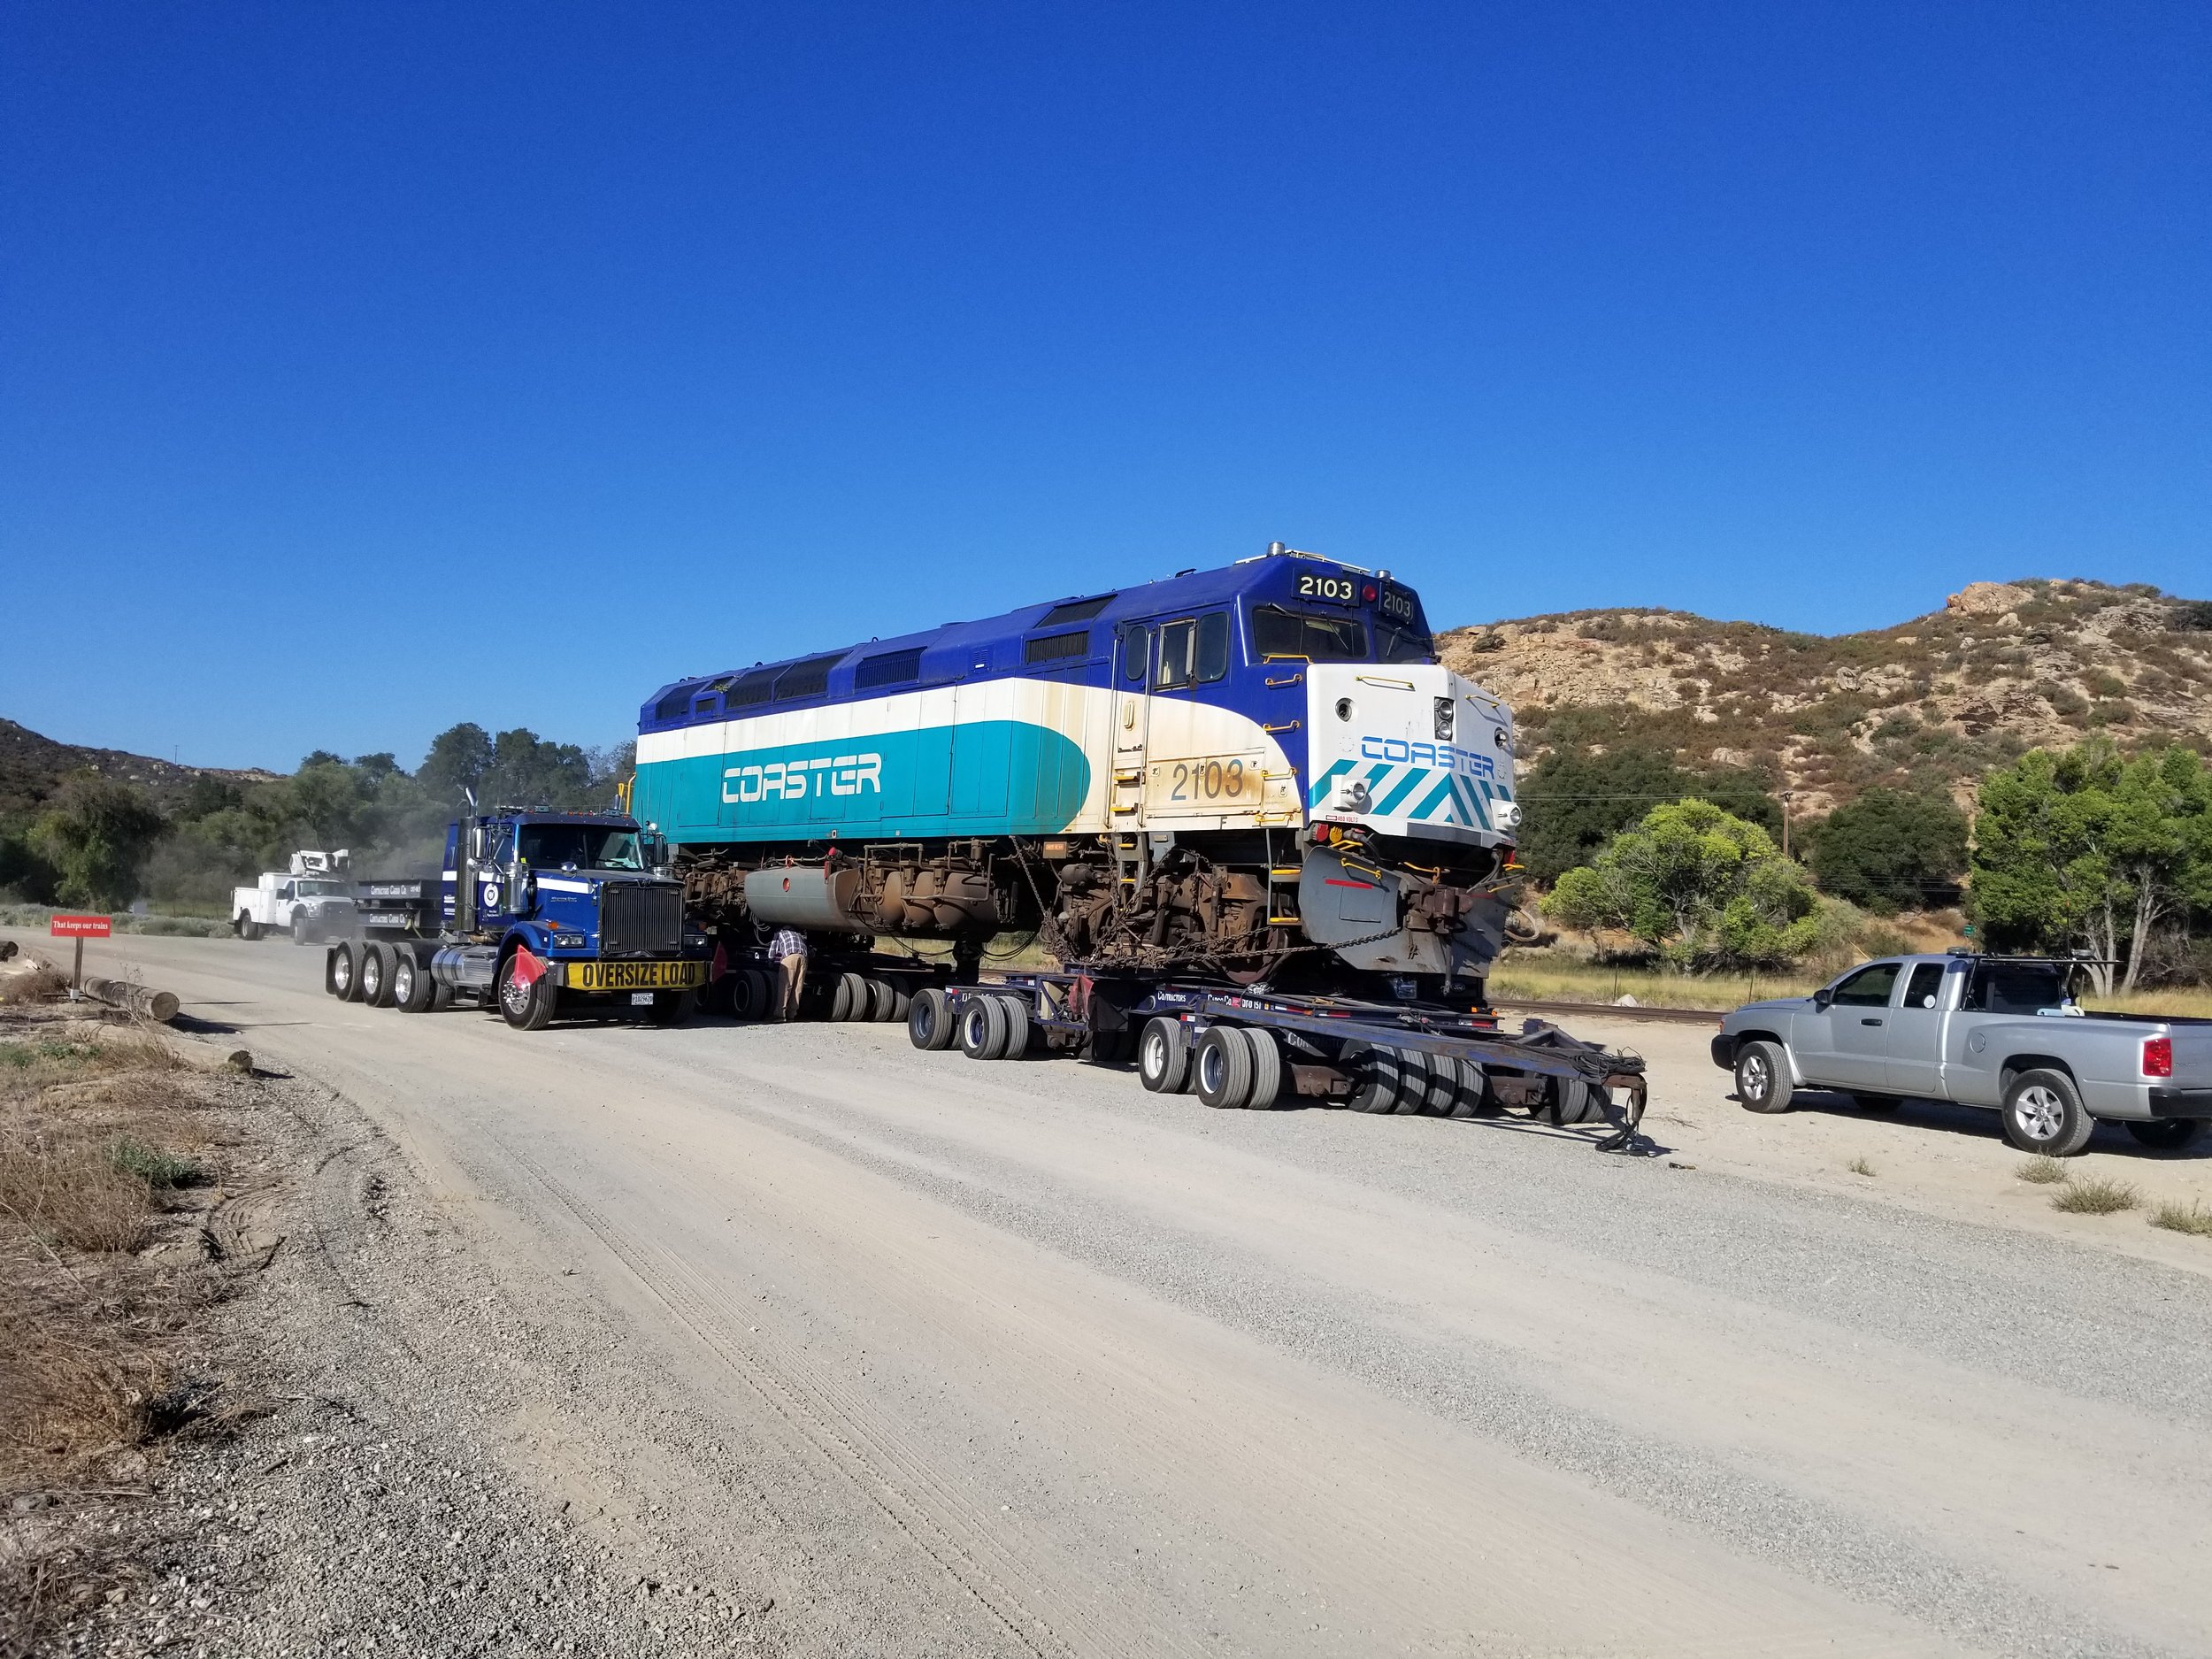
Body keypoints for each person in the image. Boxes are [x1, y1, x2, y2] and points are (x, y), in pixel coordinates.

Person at [768, 926, 809, 1020]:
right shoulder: (799, 935)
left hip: (790, 957)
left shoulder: (780, 933)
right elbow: (810, 950)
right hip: (803, 958)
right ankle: (791, 1015)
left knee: (785, 986)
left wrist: (770, 960)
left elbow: (773, 948)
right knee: (797, 988)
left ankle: (780, 1015)